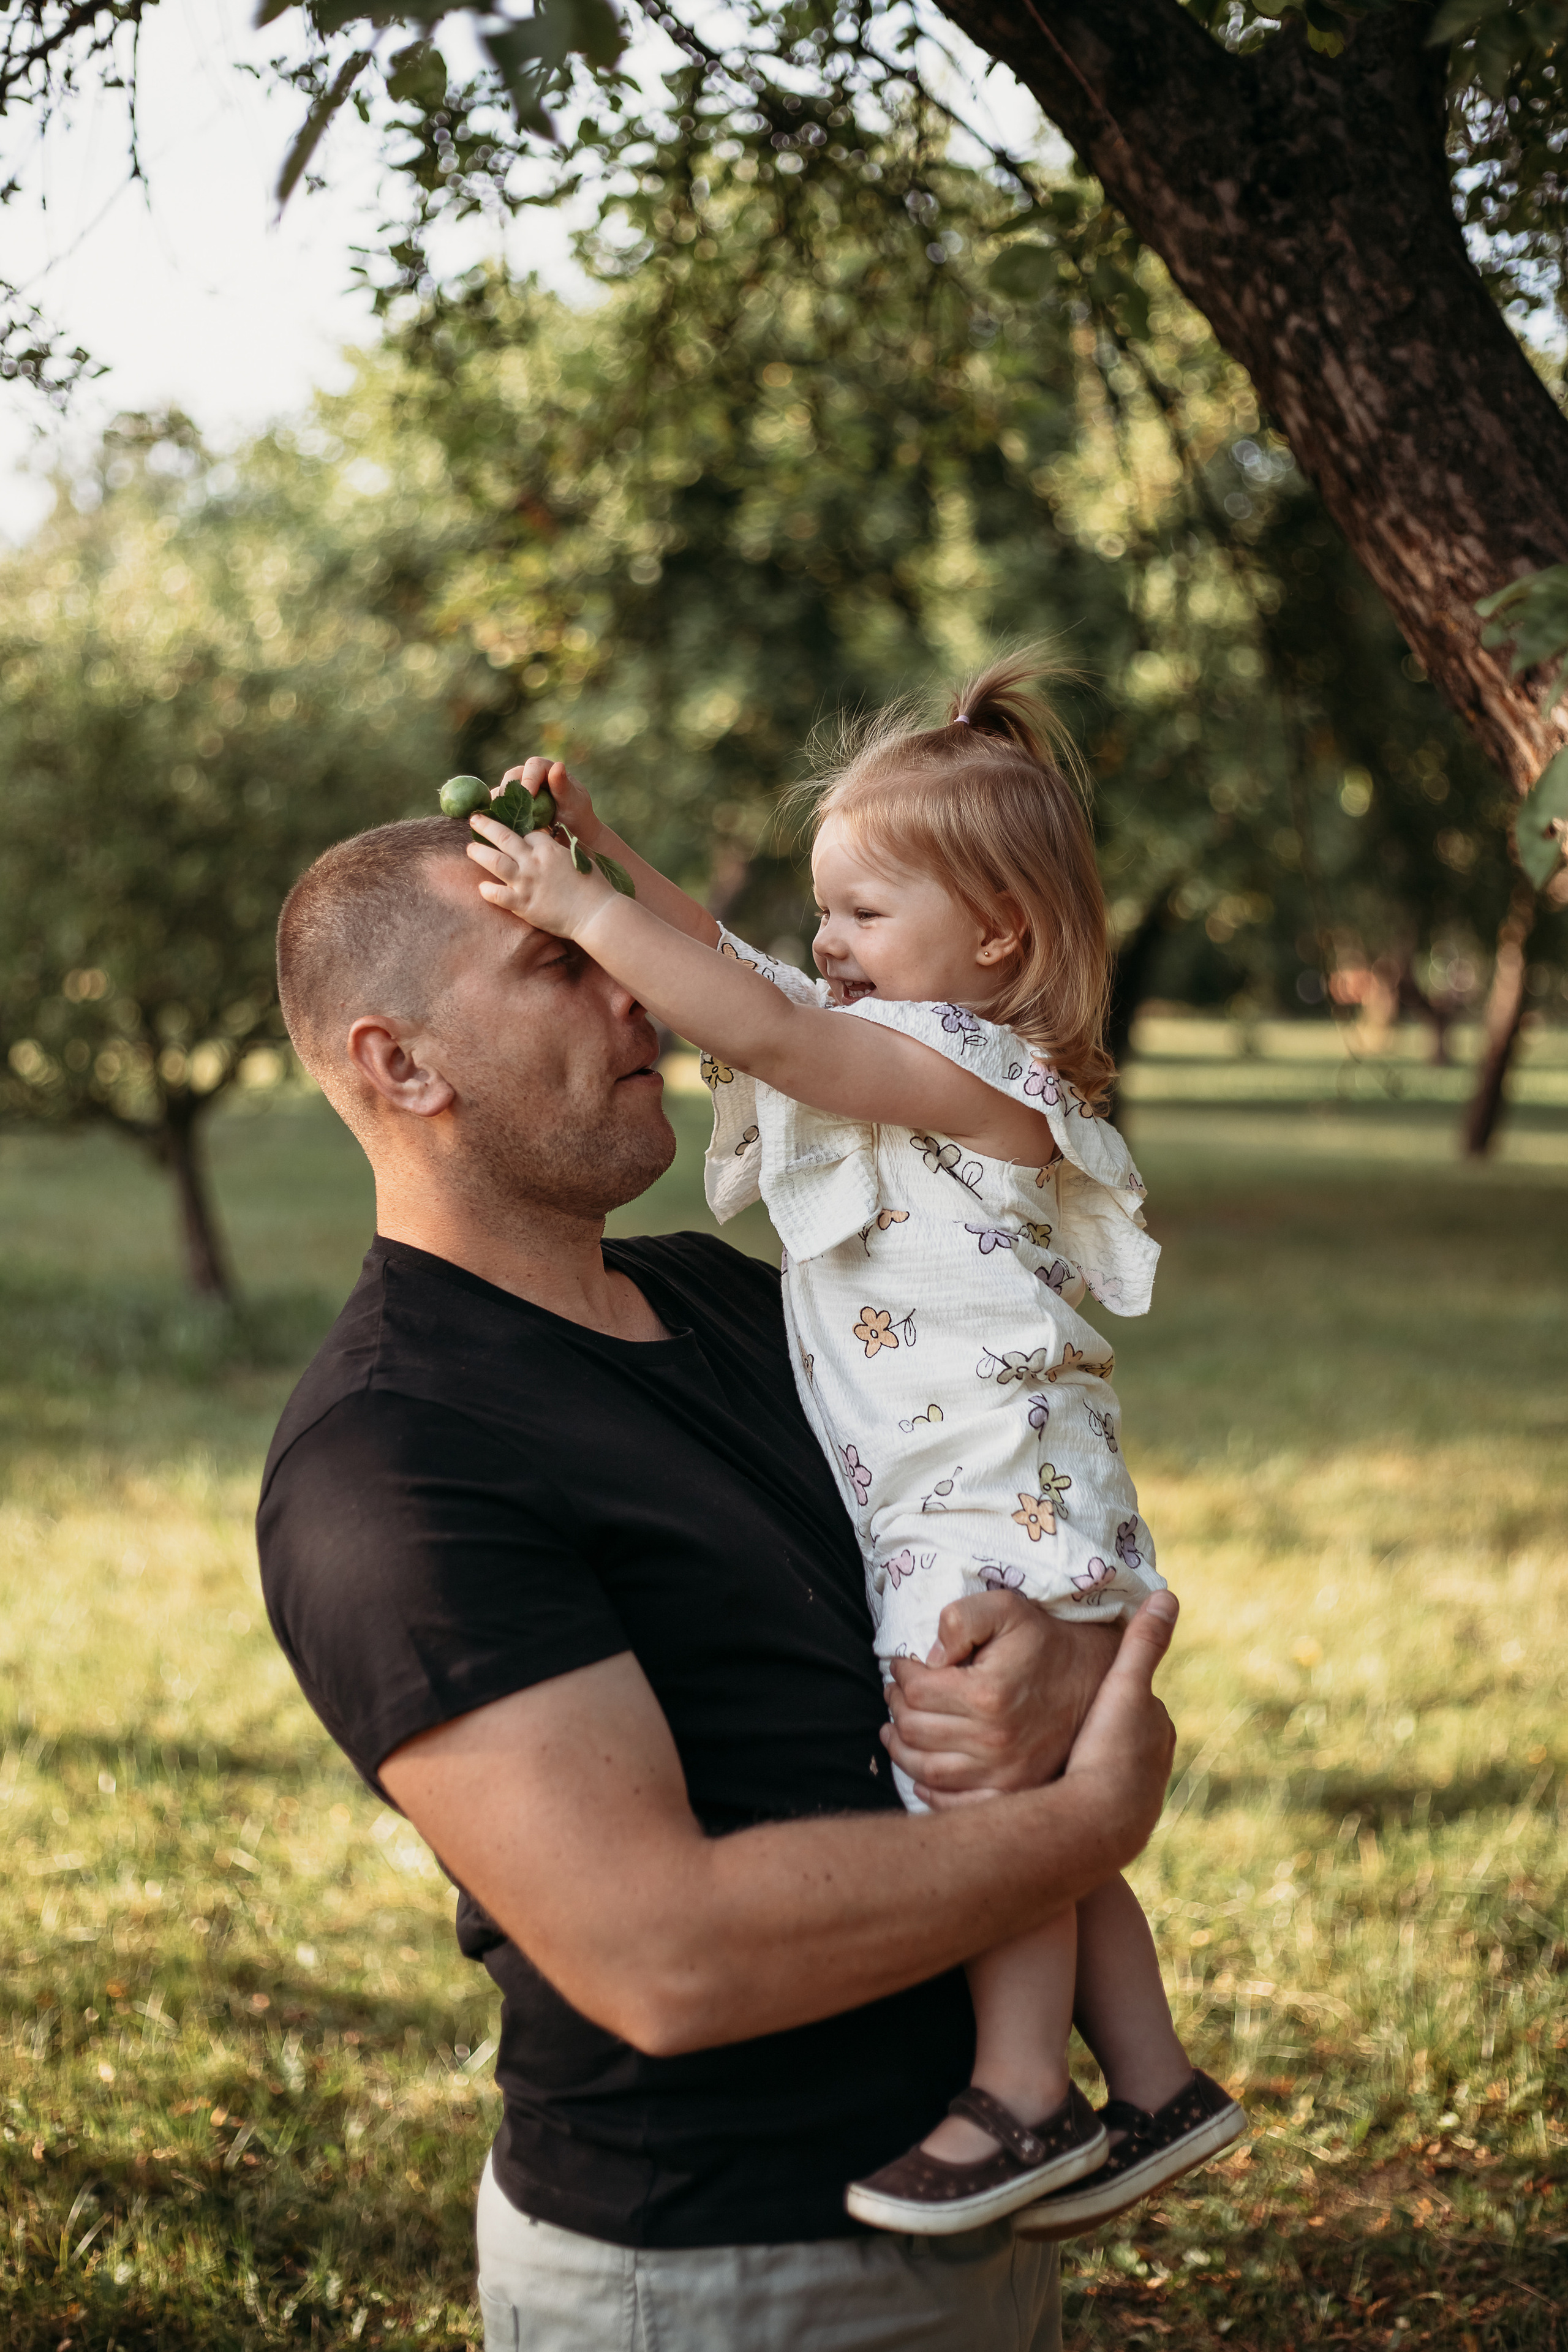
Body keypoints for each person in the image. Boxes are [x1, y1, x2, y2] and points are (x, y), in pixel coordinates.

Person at [258, 799, 1180, 2352]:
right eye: (557, 960)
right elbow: (662, 1959)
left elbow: (1020, 1509)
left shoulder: (744, 1310)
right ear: (399, 1064)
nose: (637, 988)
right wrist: (1089, 1813)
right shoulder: (391, 1459)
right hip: (713, 2272)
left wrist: (1056, 1664)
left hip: (982, 2202)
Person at [464, 653, 1242, 2248]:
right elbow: (739, 972)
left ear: (1000, 936)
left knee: (979, 1790)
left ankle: (1024, 2098)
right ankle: (1158, 2084)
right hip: (992, 1488)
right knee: (1018, 1787)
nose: (829, 947)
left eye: (864, 914)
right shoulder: (905, 1027)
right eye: (827, 911)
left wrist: (583, 912)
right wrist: (606, 864)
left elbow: (777, 1035)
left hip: (990, 1496)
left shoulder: (968, 1069)